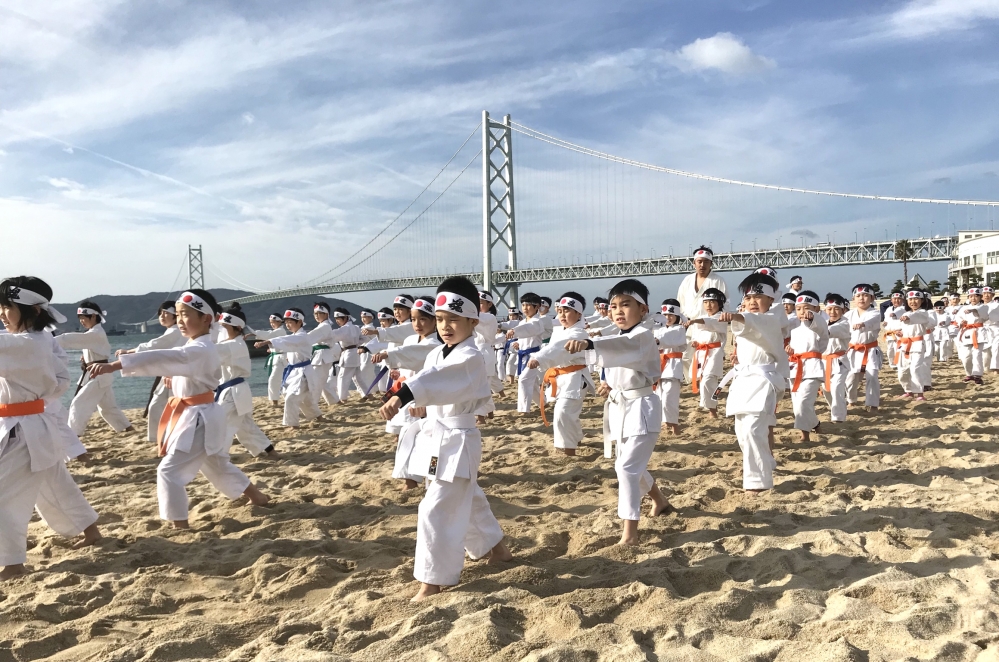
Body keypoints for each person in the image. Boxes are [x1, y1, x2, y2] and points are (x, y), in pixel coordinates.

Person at [90, 289, 270, 528]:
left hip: (199, 418)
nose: (180, 320)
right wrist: (172, 374)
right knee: (216, 464)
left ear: (206, 318)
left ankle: (179, 524)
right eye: (178, 315)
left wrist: (116, 365)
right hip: (200, 413)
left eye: (186, 315)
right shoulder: (197, 346)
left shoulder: (201, 348)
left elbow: (168, 356)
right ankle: (257, 497)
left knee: (169, 471)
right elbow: (177, 361)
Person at [379, 276, 511, 601]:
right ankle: (499, 551)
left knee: (434, 508)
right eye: (440, 319)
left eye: (454, 319)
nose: (446, 326)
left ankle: (433, 582)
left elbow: (441, 381)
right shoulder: (437, 353)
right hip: (437, 439)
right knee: (468, 499)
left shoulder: (472, 356)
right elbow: (429, 376)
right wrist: (409, 387)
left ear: (472, 320)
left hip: (458, 441)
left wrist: (405, 394)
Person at [0, 277, 103, 580]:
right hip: (37, 425)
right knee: (55, 484)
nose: (2, 314)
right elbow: (60, 381)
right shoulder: (44, 340)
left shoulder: (22, 344)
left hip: (23, 430)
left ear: (31, 310)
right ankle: (91, 530)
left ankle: (13, 563)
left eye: (7, 308)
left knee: (3, 496)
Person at [564, 278, 674, 545]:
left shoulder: (643, 335)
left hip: (642, 409)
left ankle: (630, 534)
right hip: (621, 408)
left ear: (643, 310)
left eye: (626, 305)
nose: (618, 311)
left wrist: (591, 344)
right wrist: (607, 386)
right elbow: (615, 365)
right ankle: (660, 501)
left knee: (626, 468)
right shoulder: (619, 336)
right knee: (628, 465)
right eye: (613, 306)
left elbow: (624, 350)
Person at [714, 271, 787, 492]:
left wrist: (736, 316)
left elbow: (753, 320)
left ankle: (758, 483)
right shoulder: (745, 317)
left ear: (771, 299)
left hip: (763, 379)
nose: (752, 302)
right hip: (742, 378)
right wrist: (699, 321)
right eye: (747, 298)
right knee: (743, 431)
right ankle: (766, 462)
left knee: (755, 428)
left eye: (757, 297)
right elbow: (723, 319)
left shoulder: (772, 318)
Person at [372, 296, 442, 487]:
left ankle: (429, 479)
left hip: (425, 399)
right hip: (406, 395)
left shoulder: (436, 344)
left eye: (423, 319)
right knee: (405, 439)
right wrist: (397, 372)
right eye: (413, 319)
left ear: (434, 320)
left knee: (431, 444)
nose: (417, 324)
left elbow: (415, 353)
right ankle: (410, 481)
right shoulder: (411, 338)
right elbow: (408, 357)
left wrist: (390, 354)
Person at [57, 301, 134, 437]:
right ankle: (127, 430)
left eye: (84, 318)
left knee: (78, 405)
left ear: (93, 317)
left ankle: (73, 437)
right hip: (99, 374)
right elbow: (92, 347)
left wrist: (48, 341)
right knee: (108, 408)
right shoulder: (94, 333)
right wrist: (86, 357)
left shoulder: (95, 333)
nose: (81, 321)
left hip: (99, 374)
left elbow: (68, 339)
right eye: (80, 318)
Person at [528, 293, 593, 455]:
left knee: (563, 412)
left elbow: (559, 348)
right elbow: (551, 346)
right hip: (561, 377)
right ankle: (576, 437)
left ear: (579, 314)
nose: (562, 315)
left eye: (567, 311)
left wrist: (539, 358)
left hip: (575, 378)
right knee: (568, 412)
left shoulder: (579, 333)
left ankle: (568, 450)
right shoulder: (559, 330)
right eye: (560, 311)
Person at [215, 304, 278, 457]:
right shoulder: (230, 343)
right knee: (245, 426)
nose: (222, 330)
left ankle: (218, 456)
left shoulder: (234, 345)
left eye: (225, 327)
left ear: (237, 327)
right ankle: (269, 451)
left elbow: (206, 353)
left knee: (221, 424)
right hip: (235, 391)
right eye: (221, 327)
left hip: (234, 392)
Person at [117, 301, 185, 443]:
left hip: (178, 376)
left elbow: (153, 346)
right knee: (158, 405)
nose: (162, 316)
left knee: (171, 407)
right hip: (168, 375)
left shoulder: (175, 331)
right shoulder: (173, 330)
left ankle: (166, 439)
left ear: (176, 315)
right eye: (160, 313)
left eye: (166, 313)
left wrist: (128, 352)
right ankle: (159, 439)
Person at [255, 309, 327, 427]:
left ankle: (292, 424)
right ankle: (318, 416)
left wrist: (266, 342)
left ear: (299, 322)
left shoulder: (302, 336)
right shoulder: (295, 336)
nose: (287, 325)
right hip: (294, 371)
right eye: (286, 322)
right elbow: (289, 345)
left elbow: (287, 341)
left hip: (303, 372)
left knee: (291, 398)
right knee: (305, 398)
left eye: (290, 322)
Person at [677, 246, 728, 378]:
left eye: (706, 261)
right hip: (688, 323)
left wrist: (718, 321)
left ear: (711, 263)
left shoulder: (718, 281)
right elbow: (680, 302)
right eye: (699, 261)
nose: (702, 265)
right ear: (694, 263)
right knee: (685, 356)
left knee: (707, 356)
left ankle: (703, 380)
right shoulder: (687, 280)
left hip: (708, 326)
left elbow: (725, 304)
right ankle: (692, 380)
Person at [787, 291, 828, 441]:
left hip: (812, 368)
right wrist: (789, 350)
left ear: (817, 309)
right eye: (798, 309)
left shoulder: (820, 325)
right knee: (797, 403)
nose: (802, 312)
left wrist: (814, 318)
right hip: (795, 368)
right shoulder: (795, 331)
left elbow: (822, 329)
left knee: (803, 402)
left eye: (807, 308)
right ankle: (816, 424)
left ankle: (804, 434)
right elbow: (793, 349)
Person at [685, 288, 727, 419]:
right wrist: (695, 342)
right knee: (704, 381)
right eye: (706, 302)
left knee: (708, 380)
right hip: (702, 353)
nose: (709, 305)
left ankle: (712, 409)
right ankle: (712, 408)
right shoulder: (702, 318)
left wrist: (694, 321)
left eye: (712, 302)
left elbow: (711, 324)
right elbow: (698, 335)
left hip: (714, 353)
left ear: (719, 303)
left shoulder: (721, 317)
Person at [505, 293, 546, 414]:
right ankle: (543, 402)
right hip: (523, 355)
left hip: (534, 356)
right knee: (530, 383)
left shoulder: (537, 321)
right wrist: (517, 343)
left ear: (537, 306)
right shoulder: (523, 322)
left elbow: (529, 329)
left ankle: (524, 410)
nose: (525, 308)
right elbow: (524, 334)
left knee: (523, 380)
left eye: (528, 305)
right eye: (523, 305)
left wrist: (514, 331)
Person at [845, 284, 883, 412]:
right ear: (853, 299)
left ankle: (872, 404)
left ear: (872, 298)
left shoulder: (875, 313)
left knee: (872, 376)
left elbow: (872, 322)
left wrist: (863, 324)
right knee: (850, 378)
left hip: (870, 350)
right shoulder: (848, 315)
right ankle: (851, 400)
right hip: (853, 351)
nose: (862, 298)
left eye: (866, 295)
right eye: (858, 296)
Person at [654, 299, 687, 435]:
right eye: (665, 315)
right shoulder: (658, 329)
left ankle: (674, 425)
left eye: (671, 315)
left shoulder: (679, 329)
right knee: (659, 397)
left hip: (672, 366)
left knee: (669, 397)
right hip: (659, 365)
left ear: (677, 316)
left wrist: (657, 341)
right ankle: (666, 423)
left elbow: (668, 338)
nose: (667, 318)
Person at [893, 290, 932, 400]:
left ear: (922, 300)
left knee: (915, 369)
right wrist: (899, 333)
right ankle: (908, 390)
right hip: (904, 344)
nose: (913, 301)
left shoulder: (924, 313)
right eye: (910, 299)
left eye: (916, 299)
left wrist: (908, 319)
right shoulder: (905, 313)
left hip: (917, 344)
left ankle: (919, 393)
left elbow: (917, 317)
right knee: (902, 370)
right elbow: (900, 328)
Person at [822, 294, 851, 423]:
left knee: (837, 387)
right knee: (826, 389)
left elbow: (833, 330)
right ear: (825, 310)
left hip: (839, 361)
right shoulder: (823, 323)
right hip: (823, 361)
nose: (832, 312)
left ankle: (838, 418)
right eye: (829, 309)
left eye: (836, 309)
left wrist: (821, 330)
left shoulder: (845, 323)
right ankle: (835, 408)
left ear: (843, 310)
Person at [308, 303, 341, 406]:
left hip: (322, 357)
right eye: (315, 313)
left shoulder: (325, 326)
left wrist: (296, 341)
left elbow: (309, 337)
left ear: (326, 314)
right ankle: (334, 401)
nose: (317, 315)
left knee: (316, 383)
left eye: (320, 313)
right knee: (322, 382)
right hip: (320, 356)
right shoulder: (322, 325)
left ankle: (313, 407)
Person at [327, 309, 362, 404]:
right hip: (355, 352)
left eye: (339, 318)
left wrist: (323, 333)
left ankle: (342, 398)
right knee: (358, 376)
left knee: (343, 377)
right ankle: (367, 393)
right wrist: (357, 344)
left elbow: (332, 336)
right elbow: (363, 338)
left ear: (346, 318)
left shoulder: (344, 329)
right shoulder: (356, 327)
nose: (337, 321)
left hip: (348, 354)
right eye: (336, 319)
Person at [955, 287, 988, 385]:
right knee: (966, 356)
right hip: (967, 332)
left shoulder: (983, 307)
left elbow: (984, 315)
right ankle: (969, 374)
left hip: (978, 332)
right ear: (968, 297)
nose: (973, 298)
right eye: (971, 296)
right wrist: (961, 322)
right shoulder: (963, 308)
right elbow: (958, 318)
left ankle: (977, 375)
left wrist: (973, 310)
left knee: (977, 354)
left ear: (980, 297)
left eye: (976, 296)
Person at [255, 313, 289, 408]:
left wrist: (254, 333)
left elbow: (270, 336)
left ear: (279, 322)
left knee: (276, 379)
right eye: (270, 322)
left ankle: (276, 401)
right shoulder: (276, 331)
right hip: (277, 358)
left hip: (282, 358)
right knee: (278, 379)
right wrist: (272, 349)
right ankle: (276, 400)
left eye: (273, 322)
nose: (272, 324)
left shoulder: (280, 331)